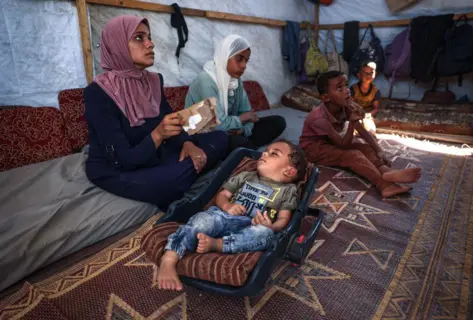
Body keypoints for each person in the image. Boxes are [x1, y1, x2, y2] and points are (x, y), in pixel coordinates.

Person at [84, 15, 228, 210]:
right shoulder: (98, 92)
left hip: (154, 154)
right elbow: (123, 159)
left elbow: (171, 121)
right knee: (169, 183)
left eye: (149, 37)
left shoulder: (153, 81)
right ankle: (194, 172)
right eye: (138, 38)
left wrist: (188, 144)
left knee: (221, 137)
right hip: (116, 167)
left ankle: (191, 168)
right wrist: (158, 134)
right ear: (117, 44)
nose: (150, 44)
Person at [157, 139, 307, 291]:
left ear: (289, 171)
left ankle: (217, 244)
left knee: (265, 235)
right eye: (266, 150)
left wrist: (271, 226)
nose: (264, 153)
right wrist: (227, 205)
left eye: (273, 153)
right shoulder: (246, 176)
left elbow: (284, 219)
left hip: (252, 228)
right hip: (224, 218)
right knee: (203, 219)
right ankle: (169, 257)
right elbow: (222, 195)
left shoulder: (288, 191)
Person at [299, 71, 421, 199]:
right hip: (314, 149)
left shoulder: (345, 106)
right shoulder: (318, 118)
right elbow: (342, 144)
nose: (346, 90)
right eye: (339, 88)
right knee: (352, 156)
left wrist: (379, 151)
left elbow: (362, 131)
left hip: (331, 141)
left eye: (346, 85)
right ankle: (384, 185)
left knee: (363, 147)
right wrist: (352, 123)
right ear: (326, 98)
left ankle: (385, 171)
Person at [185, 34, 286, 152]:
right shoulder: (206, 80)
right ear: (225, 56)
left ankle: (242, 148)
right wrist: (241, 119)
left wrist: (242, 129)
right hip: (204, 132)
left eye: (246, 61)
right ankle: (243, 148)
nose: (244, 66)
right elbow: (218, 125)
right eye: (239, 59)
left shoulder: (235, 80)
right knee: (235, 141)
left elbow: (248, 113)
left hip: (232, 129)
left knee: (278, 122)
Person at [351, 62, 381, 134]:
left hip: (367, 114)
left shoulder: (376, 91)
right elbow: (350, 104)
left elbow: (376, 108)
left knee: (370, 131)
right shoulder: (353, 89)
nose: (368, 76)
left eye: (371, 73)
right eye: (365, 73)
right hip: (355, 113)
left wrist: (369, 115)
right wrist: (356, 113)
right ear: (359, 75)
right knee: (351, 129)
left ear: (375, 74)